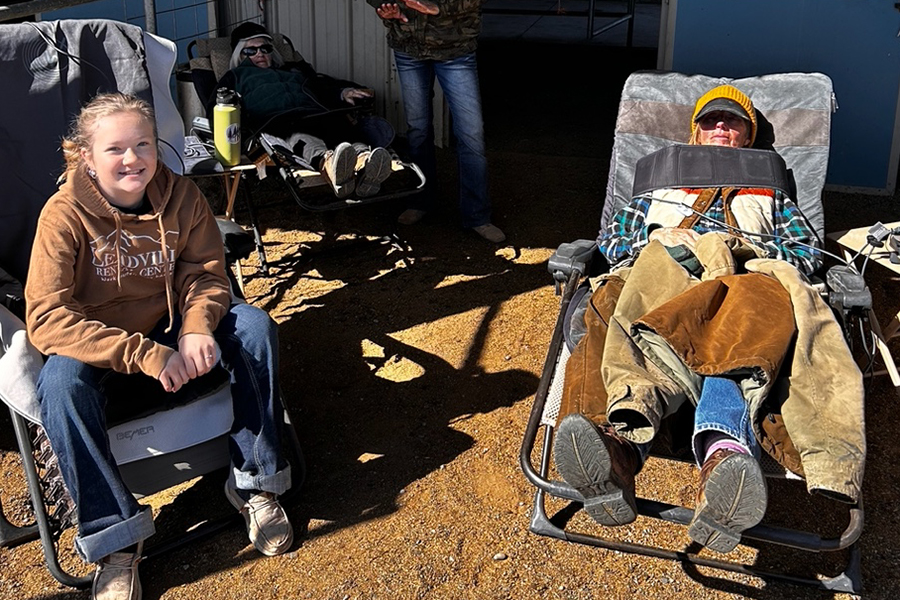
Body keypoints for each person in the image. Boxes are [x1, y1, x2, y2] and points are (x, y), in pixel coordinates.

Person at [553, 85, 865, 554]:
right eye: (710, 120)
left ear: (748, 136)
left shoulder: (770, 192)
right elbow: (615, 243)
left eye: (732, 120)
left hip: (742, 277)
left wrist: (737, 251)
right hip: (662, 268)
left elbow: (804, 254)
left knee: (737, 324)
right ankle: (614, 449)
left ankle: (723, 460)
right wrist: (668, 241)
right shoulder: (660, 186)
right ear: (694, 132)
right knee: (608, 300)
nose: (720, 126)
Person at [25, 93, 293, 600]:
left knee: (254, 327)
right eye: (115, 148)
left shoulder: (182, 196)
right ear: (86, 156)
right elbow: (48, 317)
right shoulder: (62, 216)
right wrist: (148, 355)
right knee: (59, 384)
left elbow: (206, 274)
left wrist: (195, 327)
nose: (133, 159)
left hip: (171, 328)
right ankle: (115, 539)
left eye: (143, 144)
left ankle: (256, 481)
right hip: (102, 347)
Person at [374, 1, 507, 243]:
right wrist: (385, 6)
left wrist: (439, 8)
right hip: (408, 47)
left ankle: (477, 215)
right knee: (418, 129)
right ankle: (420, 200)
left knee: (471, 132)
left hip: (455, 49)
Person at [214, 22, 394, 199]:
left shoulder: (293, 70)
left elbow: (320, 87)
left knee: (339, 124)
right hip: (276, 121)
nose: (260, 53)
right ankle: (330, 166)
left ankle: (365, 164)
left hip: (314, 113)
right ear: (240, 55)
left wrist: (342, 92)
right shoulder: (234, 76)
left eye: (265, 48)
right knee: (301, 137)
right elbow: (217, 108)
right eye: (251, 51)